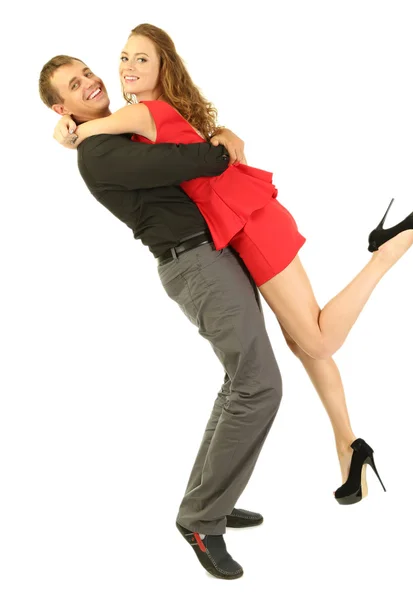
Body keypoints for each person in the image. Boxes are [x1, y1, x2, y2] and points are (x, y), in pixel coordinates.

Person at [53, 24, 413, 505]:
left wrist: (68, 128)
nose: (126, 67)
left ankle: (391, 246)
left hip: (248, 225)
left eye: (141, 59)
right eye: (123, 57)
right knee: (304, 346)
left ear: (162, 67)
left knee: (318, 338)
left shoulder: (141, 112)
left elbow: (90, 130)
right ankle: (350, 446)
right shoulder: (159, 111)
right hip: (240, 222)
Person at [39, 55, 281, 580]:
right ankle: (202, 519)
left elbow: (180, 130)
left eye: (87, 72)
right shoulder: (99, 152)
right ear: (62, 108)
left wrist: (219, 130)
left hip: (209, 256)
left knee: (240, 383)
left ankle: (207, 500)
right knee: (259, 386)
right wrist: (217, 143)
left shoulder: (110, 131)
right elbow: (195, 160)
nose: (91, 82)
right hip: (194, 264)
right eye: (74, 86)